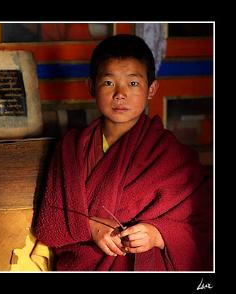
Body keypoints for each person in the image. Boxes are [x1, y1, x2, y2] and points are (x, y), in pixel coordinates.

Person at [33, 34, 213, 271]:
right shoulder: (70, 148)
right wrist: (90, 226)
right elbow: (50, 219)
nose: (120, 94)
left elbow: (203, 224)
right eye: (109, 82)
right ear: (91, 86)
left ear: (151, 89)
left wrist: (158, 234)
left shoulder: (170, 154)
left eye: (133, 83)